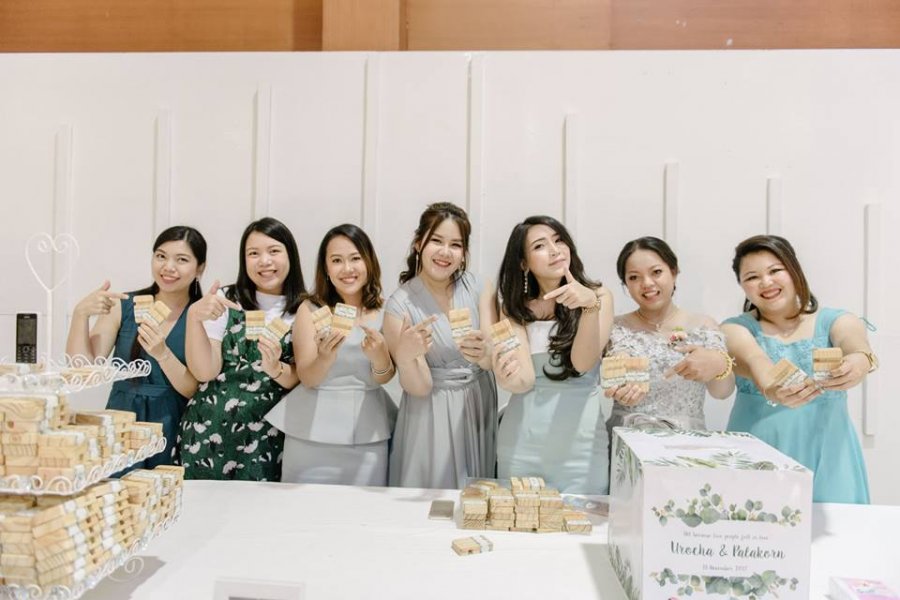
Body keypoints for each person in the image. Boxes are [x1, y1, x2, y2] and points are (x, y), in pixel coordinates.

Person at [723, 234, 873, 503]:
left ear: (794, 270)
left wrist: (859, 362)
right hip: (758, 456)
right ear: (742, 286)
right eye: (752, 277)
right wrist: (772, 387)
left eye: (775, 270)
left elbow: (856, 345)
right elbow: (756, 360)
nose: (766, 282)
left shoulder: (836, 320)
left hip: (829, 455)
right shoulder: (733, 329)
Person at [65, 225, 206, 468]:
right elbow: (83, 370)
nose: (168, 267)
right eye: (161, 256)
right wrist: (80, 314)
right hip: (122, 422)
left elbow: (193, 388)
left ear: (199, 268)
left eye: (181, 259)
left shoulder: (201, 315)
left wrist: (162, 354)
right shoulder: (123, 306)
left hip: (175, 423)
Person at [266, 224, 396, 485]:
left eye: (355, 258)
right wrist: (325, 357)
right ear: (325, 268)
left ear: (369, 262)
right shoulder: (310, 309)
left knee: (364, 508)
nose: (347, 269)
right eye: (337, 260)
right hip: (310, 435)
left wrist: (380, 356)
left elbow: (385, 377)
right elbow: (307, 377)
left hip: (367, 434)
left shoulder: (387, 310)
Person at [493, 216, 613, 494]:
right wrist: (497, 365)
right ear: (523, 263)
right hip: (521, 444)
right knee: (519, 518)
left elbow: (582, 364)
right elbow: (521, 381)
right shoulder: (514, 309)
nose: (555, 250)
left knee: (584, 519)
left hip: (581, 448)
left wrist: (589, 308)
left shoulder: (598, 296)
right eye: (540, 245)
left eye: (559, 240)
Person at [180, 217, 304, 481]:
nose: (264, 261)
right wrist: (194, 318)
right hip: (210, 429)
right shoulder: (225, 300)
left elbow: (302, 375)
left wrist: (276, 367)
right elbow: (205, 371)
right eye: (253, 253)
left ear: (290, 255)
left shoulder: (306, 309)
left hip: (272, 436)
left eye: (274, 251)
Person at [384, 202, 497, 489]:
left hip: (478, 402)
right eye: (436, 241)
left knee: (475, 500)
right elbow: (418, 387)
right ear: (418, 243)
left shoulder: (480, 287)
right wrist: (406, 356)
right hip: (431, 411)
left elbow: (491, 359)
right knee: (433, 495)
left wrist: (485, 353)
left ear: (464, 252)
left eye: (455, 244)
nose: (445, 252)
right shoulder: (399, 305)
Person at [604, 237, 734, 436]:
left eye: (656, 272)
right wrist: (617, 387)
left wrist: (719, 364)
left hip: (685, 441)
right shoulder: (614, 327)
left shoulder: (703, 326)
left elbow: (722, 392)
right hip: (627, 438)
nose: (647, 283)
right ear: (625, 284)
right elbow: (598, 379)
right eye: (634, 277)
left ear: (673, 272)